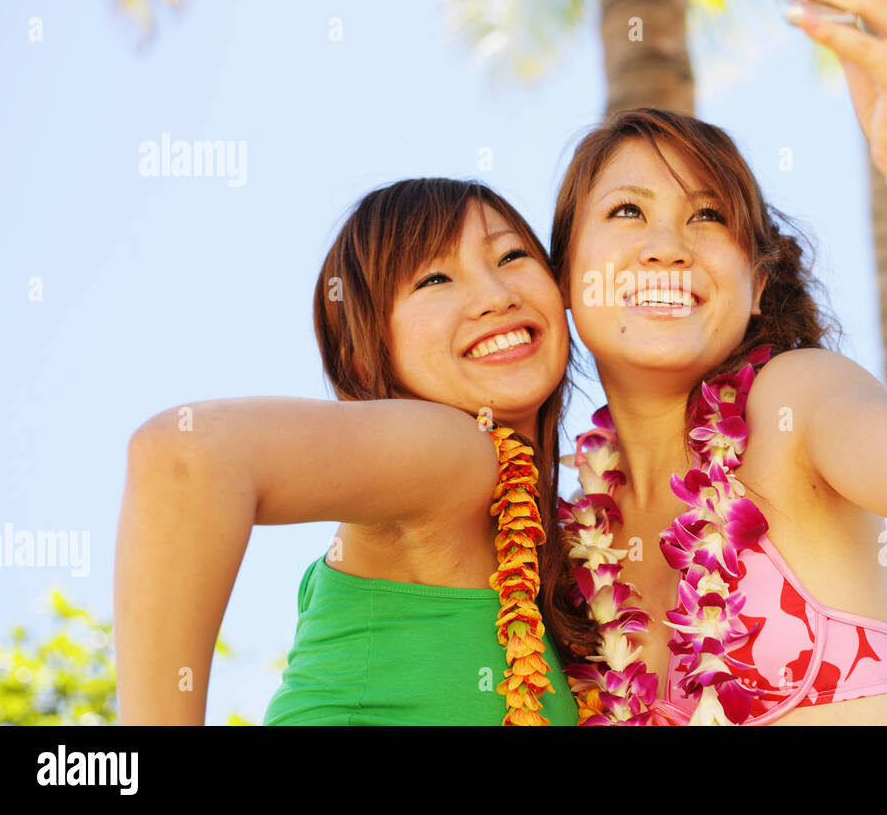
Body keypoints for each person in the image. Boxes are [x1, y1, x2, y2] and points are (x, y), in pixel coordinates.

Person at [547, 0, 887, 725]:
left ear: (757, 283)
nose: (668, 244)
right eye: (627, 212)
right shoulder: (562, 564)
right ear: (565, 277)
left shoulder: (794, 403)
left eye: (708, 216)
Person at [114, 178, 589, 725]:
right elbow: (184, 453)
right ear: (363, 358)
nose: (495, 296)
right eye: (434, 278)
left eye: (511, 255)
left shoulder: (574, 554)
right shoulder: (456, 450)